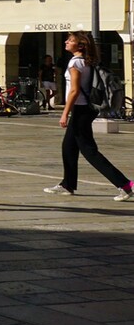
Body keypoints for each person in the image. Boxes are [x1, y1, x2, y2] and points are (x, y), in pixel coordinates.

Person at [45, 31, 134, 201]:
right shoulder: (88, 61)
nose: (66, 42)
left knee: (89, 151)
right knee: (68, 147)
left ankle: (125, 185)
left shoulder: (75, 63)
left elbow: (74, 90)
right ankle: (67, 184)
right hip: (87, 109)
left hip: (80, 109)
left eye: (70, 40)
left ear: (80, 45)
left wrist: (64, 113)